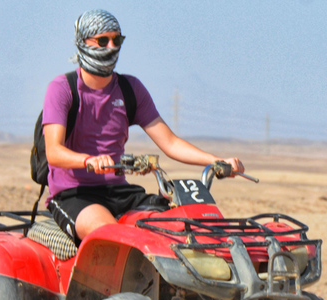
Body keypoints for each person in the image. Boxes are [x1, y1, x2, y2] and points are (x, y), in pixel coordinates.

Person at [42, 9, 244, 244]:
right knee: (110, 234)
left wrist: (217, 161)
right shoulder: (62, 89)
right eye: (102, 40)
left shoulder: (131, 89)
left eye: (116, 40)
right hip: (74, 194)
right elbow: (53, 152)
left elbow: (170, 143)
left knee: (175, 225)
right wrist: (89, 160)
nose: (111, 47)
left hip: (119, 192)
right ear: (82, 42)